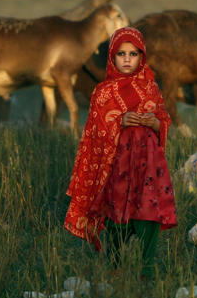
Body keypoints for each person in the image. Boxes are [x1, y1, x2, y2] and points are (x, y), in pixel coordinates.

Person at [64, 26, 177, 279]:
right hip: (117, 163)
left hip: (148, 163)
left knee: (149, 211)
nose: (127, 60)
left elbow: (164, 121)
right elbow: (95, 130)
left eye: (133, 54)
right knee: (118, 213)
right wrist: (120, 121)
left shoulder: (151, 88)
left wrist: (153, 123)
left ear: (142, 56)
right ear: (112, 57)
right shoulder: (103, 92)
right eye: (121, 54)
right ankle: (114, 267)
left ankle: (147, 270)